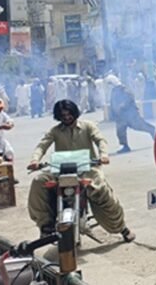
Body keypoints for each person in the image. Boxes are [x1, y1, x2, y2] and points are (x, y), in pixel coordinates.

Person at [27, 100, 135, 242]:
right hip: (61, 170)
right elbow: (42, 146)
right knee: (38, 181)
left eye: (69, 114)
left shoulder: (88, 126)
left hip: (88, 169)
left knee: (103, 192)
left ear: (75, 112)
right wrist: (35, 160)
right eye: (63, 115)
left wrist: (103, 155)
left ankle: (122, 228)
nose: (67, 117)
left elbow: (100, 140)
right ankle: (45, 225)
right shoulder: (55, 131)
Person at [109, 82, 156, 153]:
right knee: (120, 131)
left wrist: (122, 105)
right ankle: (125, 146)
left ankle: (153, 131)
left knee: (140, 126)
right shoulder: (113, 91)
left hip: (130, 114)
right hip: (120, 117)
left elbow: (130, 97)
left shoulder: (124, 89)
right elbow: (112, 103)